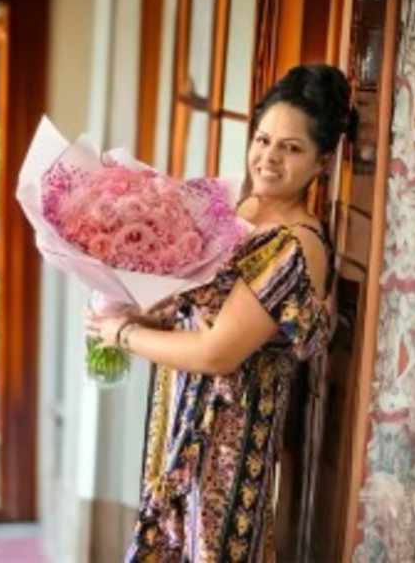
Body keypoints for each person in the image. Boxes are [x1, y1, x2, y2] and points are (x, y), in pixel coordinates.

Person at [85, 63, 358, 562]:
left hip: (228, 449)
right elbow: (199, 314)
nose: (268, 158)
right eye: (263, 140)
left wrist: (121, 333)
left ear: (322, 161)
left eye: (291, 148)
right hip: (182, 423)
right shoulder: (241, 210)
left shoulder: (294, 244)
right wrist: (140, 312)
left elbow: (217, 352)